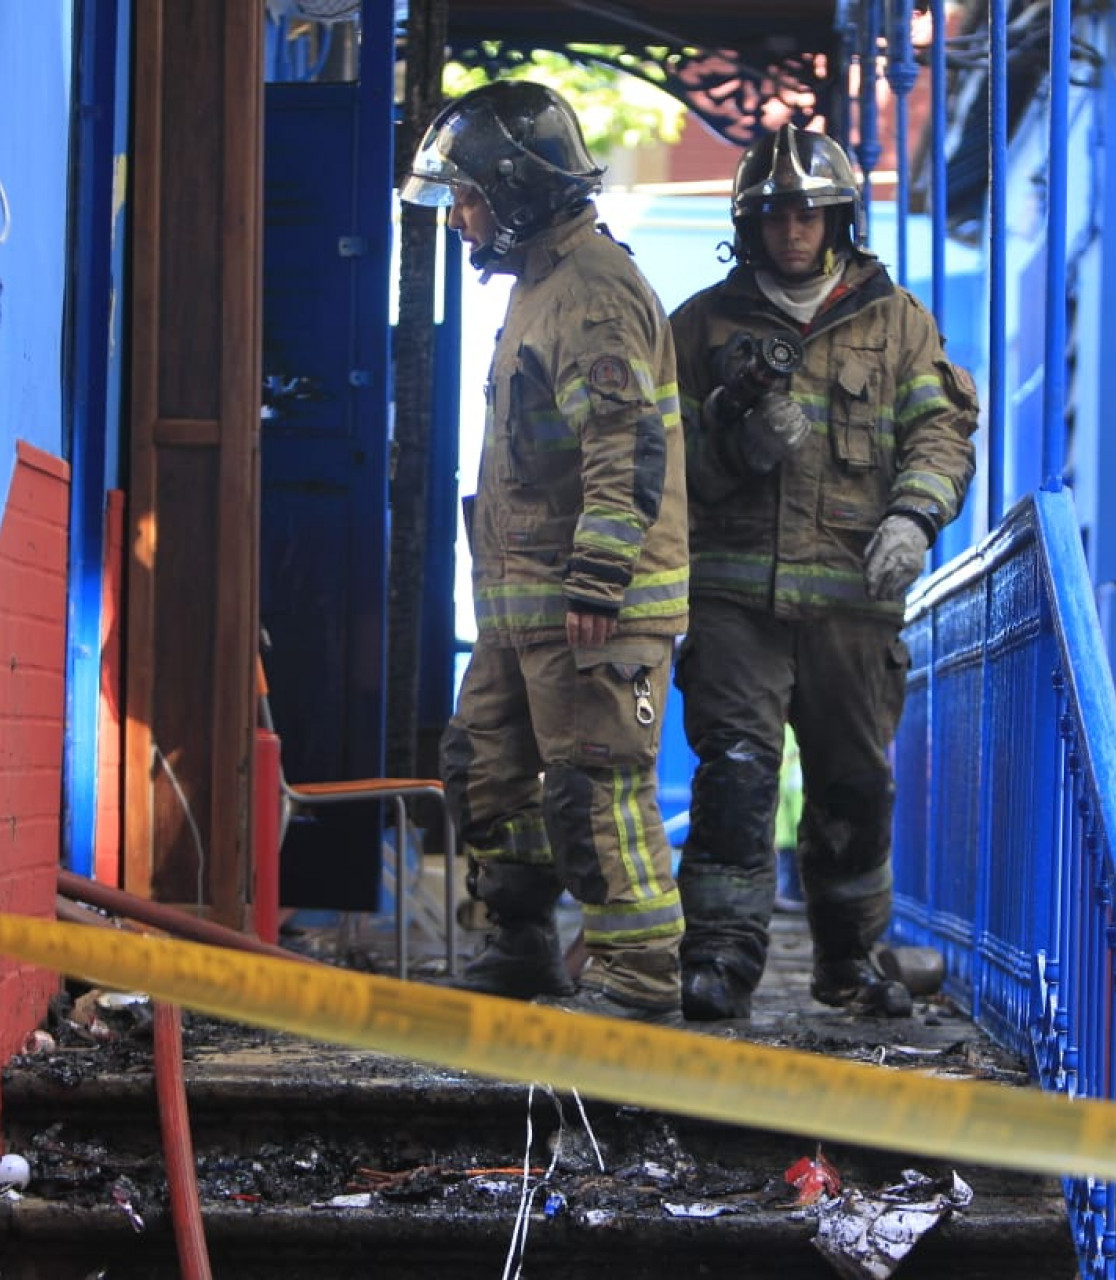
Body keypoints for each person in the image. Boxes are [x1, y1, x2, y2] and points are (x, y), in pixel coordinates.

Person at [668, 124, 979, 1021]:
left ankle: (849, 961)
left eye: (807, 214)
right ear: (749, 224)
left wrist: (915, 517)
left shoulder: (898, 322)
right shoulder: (701, 325)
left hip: (854, 598)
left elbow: (941, 431)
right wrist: (737, 447)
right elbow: (665, 459)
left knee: (854, 783)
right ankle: (721, 959)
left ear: (838, 219)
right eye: (772, 216)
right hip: (734, 600)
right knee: (733, 773)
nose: (791, 231)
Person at [399, 81, 690, 1023]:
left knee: (596, 784)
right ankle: (519, 940)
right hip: (523, 609)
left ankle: (637, 978)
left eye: (473, 197)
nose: (461, 219)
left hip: (594, 608)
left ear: (520, 189)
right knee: (485, 764)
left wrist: (602, 578)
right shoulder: (540, 287)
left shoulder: (593, 295)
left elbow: (623, 446)